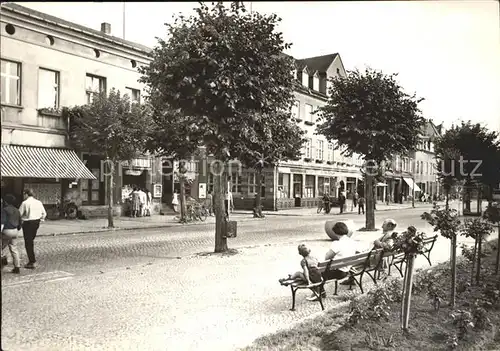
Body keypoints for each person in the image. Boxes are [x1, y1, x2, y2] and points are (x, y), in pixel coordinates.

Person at [323, 221, 358, 291]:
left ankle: (320, 291)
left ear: (335, 232)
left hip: (338, 273)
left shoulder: (336, 243)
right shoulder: (352, 242)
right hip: (347, 269)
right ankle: (351, 280)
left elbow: (326, 257)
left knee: (316, 273)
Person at [19, 189, 46, 269]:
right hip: (36, 223)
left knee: (28, 242)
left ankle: (32, 261)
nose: (24, 196)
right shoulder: (38, 202)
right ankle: (32, 260)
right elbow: (44, 213)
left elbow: (19, 214)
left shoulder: (25, 203)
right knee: (31, 240)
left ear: (26, 194)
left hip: (28, 223)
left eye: (24, 194)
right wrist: (41, 219)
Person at [1, 194, 22, 273]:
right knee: (14, 249)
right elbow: (20, 222)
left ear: (6, 201)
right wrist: (18, 229)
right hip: (15, 231)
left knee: (1, 247)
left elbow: (2, 223)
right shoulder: (17, 210)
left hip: (6, 231)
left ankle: (3, 260)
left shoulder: (4, 210)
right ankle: (17, 267)